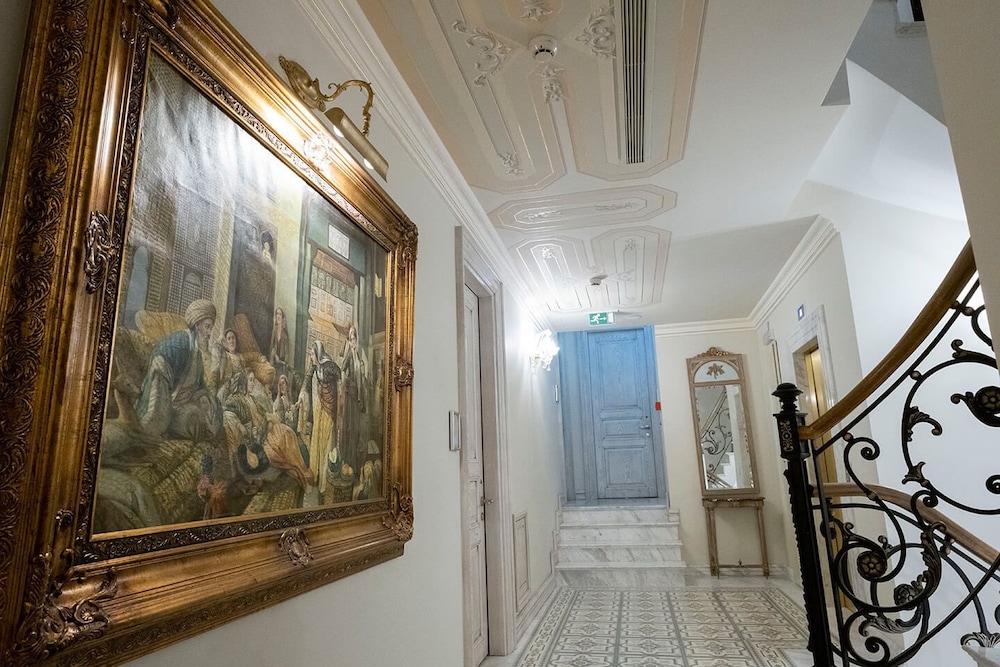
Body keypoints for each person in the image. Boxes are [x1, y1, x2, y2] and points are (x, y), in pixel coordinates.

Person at [135, 299, 221, 440]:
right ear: (197, 325)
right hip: (162, 404)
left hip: (182, 406)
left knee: (213, 410)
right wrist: (163, 409)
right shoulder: (178, 343)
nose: (209, 333)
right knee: (191, 420)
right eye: (207, 327)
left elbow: (200, 386)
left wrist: (203, 397)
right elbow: (159, 366)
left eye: (211, 328)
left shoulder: (197, 354)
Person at [305, 341, 340, 494]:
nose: (311, 357)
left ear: (318, 354)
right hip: (320, 408)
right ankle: (316, 477)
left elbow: (339, 373)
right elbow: (308, 380)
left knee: (326, 442)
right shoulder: (316, 367)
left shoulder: (327, 365)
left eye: (312, 354)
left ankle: (324, 483)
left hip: (329, 410)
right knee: (318, 440)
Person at [339, 325, 367, 473]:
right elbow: (343, 368)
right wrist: (346, 385)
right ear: (349, 341)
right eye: (351, 339)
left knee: (356, 429)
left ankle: (354, 464)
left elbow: (360, 376)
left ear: (357, 340)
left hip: (356, 396)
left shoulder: (358, 355)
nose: (353, 342)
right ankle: (348, 460)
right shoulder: (350, 354)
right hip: (350, 395)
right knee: (350, 427)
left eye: (354, 338)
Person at [268, 306, 290, 385]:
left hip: (282, 362)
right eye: (277, 314)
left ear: (282, 317)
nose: (278, 316)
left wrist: (284, 363)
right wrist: (275, 355)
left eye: (280, 314)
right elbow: (272, 345)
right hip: (274, 360)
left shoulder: (285, 333)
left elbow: (287, 352)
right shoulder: (274, 329)